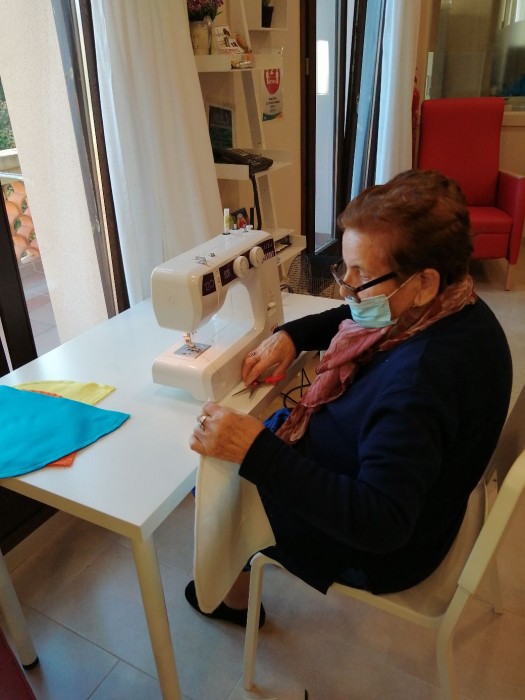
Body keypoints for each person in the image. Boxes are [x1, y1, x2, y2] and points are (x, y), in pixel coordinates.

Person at [186, 169, 513, 626]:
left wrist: (254, 451)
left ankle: (233, 602)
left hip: (380, 549)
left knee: (219, 482)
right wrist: (294, 335)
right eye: (346, 269)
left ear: (423, 282)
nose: (346, 288)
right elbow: (358, 312)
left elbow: (380, 523)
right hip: (425, 501)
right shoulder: (456, 308)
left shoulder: (417, 384)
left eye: (362, 277)